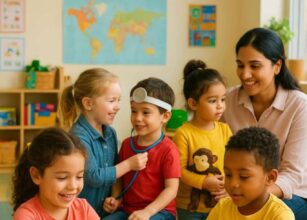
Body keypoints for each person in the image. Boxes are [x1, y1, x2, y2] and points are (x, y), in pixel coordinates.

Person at [222, 27, 307, 220]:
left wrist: (249, 192)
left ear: (277, 66)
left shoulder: (300, 106)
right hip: (239, 188)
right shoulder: (227, 99)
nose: (245, 74)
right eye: (240, 65)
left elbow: (292, 175)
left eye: (255, 66)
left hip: (294, 194)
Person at [59, 68, 148, 218]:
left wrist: (115, 197)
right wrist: (129, 165)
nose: (117, 106)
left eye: (118, 100)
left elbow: (114, 170)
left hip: (104, 211)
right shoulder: (78, 136)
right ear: (88, 103)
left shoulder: (110, 133)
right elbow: (93, 176)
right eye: (111, 100)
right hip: (82, 214)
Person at [103, 77, 181, 220]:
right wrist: (116, 198)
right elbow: (119, 177)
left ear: (165, 116)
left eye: (146, 112)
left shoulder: (169, 150)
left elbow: (171, 189)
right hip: (128, 210)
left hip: (159, 212)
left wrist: (148, 212)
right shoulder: (127, 144)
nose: (137, 118)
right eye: (134, 111)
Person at [174, 60, 232, 220]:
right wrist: (204, 182)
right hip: (190, 208)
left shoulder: (225, 130)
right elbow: (178, 171)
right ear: (193, 103)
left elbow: (233, 165)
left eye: (223, 99)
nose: (220, 106)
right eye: (213, 101)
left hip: (220, 204)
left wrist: (226, 184)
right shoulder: (183, 134)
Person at [207, 127, 294, 220]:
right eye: (228, 175)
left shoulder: (280, 216)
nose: (233, 184)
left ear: (270, 178)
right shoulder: (222, 207)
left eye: (244, 177)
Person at [12, 128, 100, 220]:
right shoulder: (26, 215)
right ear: (36, 175)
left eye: (79, 176)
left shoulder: (84, 209)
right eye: (62, 177)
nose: (73, 186)